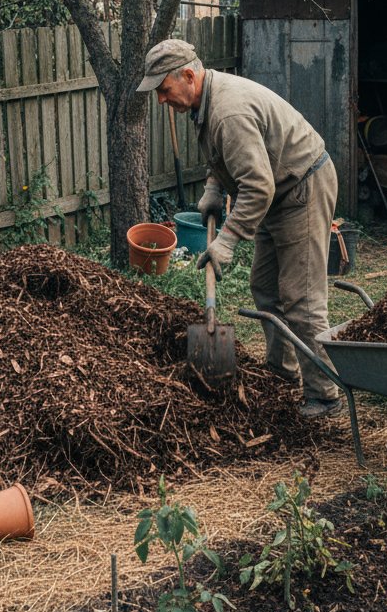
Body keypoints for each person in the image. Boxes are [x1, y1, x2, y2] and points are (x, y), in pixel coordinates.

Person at [137, 38, 342, 418]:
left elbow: (258, 185)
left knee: (301, 297)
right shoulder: (206, 103)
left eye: (164, 90)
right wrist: (214, 190)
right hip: (274, 194)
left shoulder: (228, 113)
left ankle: (325, 394)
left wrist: (227, 240)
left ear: (187, 75)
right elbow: (226, 161)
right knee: (265, 288)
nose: (162, 101)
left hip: (300, 187)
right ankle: (283, 375)